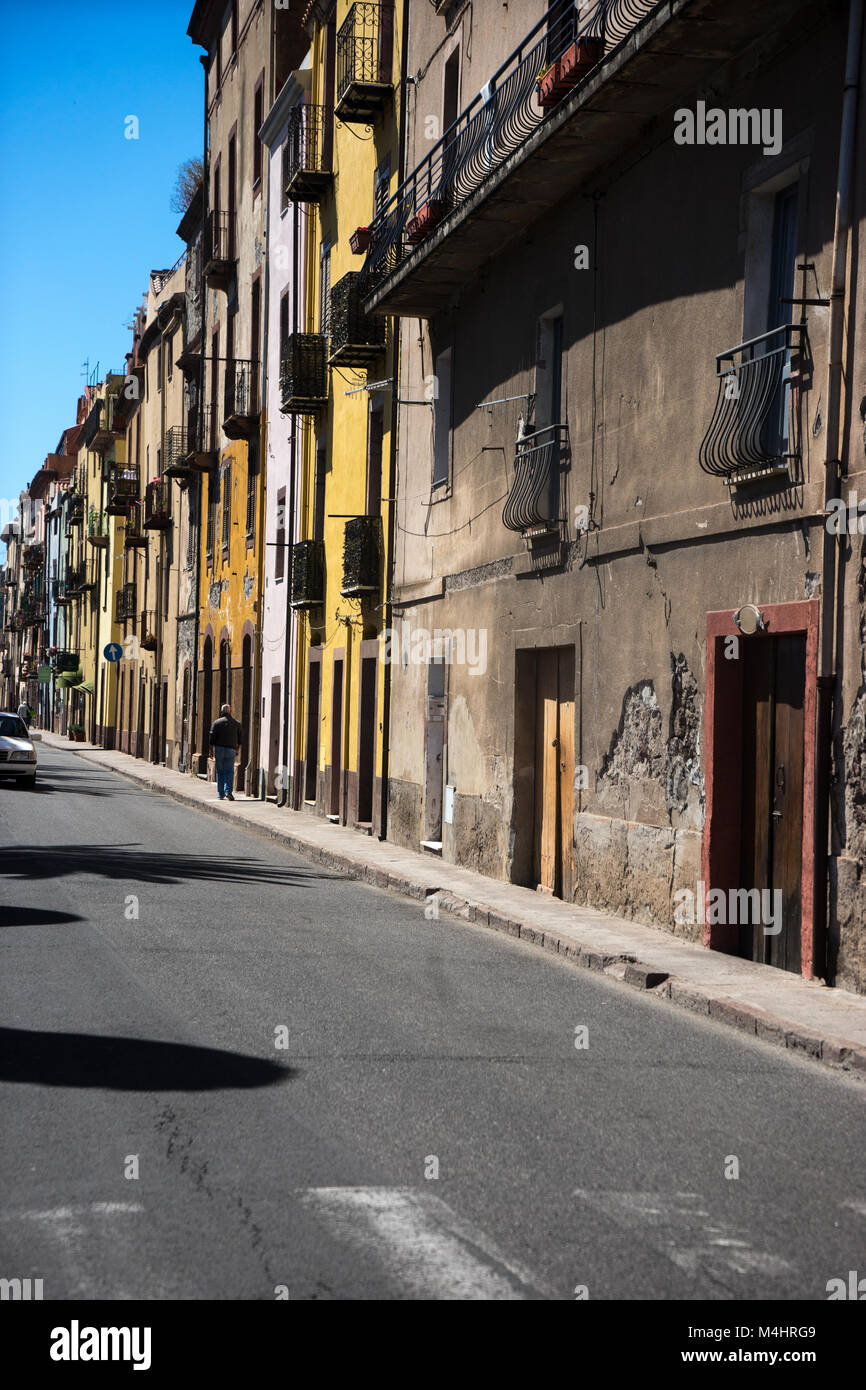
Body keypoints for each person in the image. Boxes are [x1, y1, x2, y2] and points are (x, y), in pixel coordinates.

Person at [209, 703, 243, 801]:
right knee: (229, 771)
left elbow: (211, 738)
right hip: (231, 749)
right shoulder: (237, 723)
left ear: (221, 712)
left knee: (220, 771)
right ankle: (228, 792)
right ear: (230, 712)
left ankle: (221, 794)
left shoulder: (216, 723)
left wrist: (211, 751)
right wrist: (238, 750)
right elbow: (240, 739)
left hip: (219, 749)